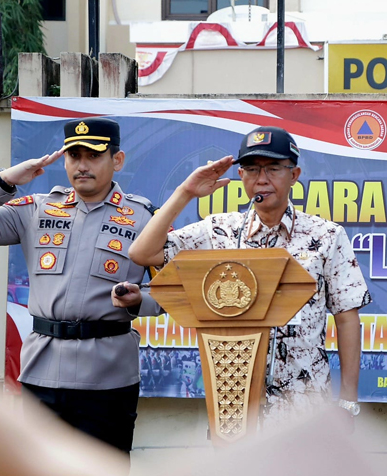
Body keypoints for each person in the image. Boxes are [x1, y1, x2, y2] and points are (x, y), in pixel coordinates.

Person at [128, 126, 371, 428]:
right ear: (241, 176)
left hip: (306, 404)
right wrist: (185, 192)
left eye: (273, 169)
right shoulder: (219, 230)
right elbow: (142, 253)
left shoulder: (326, 236)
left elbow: (347, 317)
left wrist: (348, 401)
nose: (262, 179)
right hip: (234, 406)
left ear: (293, 175)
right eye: (252, 169)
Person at [0, 117, 162, 456]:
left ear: (116, 161)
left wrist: (138, 301)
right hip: (42, 372)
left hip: (108, 375)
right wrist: (6, 180)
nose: (81, 165)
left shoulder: (144, 218)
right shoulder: (37, 209)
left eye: (93, 156)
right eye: (74, 156)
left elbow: (173, 292)